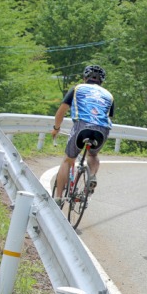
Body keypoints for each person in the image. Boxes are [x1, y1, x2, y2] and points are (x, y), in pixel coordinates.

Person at [51, 65, 114, 205]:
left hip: (82, 125)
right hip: (103, 129)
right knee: (93, 155)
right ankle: (91, 176)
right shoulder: (109, 95)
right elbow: (108, 116)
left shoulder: (77, 88)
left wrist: (56, 128)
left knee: (68, 160)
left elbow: (61, 112)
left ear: (85, 78)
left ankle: (58, 198)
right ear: (102, 81)